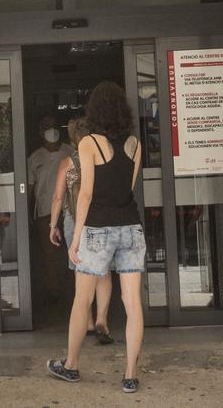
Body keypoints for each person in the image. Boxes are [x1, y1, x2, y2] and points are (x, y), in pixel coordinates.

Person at [47, 82, 145, 394]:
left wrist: (75, 238)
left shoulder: (89, 143)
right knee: (132, 303)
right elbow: (127, 189)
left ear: (95, 111)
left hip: (97, 229)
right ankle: (130, 374)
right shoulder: (134, 144)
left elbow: (86, 193)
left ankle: (71, 365)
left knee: (81, 300)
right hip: (130, 227)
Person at [49, 117, 114, 344]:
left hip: (73, 220)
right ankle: (102, 321)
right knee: (103, 271)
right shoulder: (103, 159)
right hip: (101, 219)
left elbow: (58, 197)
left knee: (80, 271)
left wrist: (52, 225)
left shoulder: (67, 163)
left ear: (73, 137)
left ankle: (86, 321)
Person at [28, 115, 74, 303]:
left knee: (73, 251)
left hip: (71, 211)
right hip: (45, 212)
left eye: (54, 126)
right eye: (46, 127)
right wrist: (27, 212)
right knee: (49, 255)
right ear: (40, 132)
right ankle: (54, 292)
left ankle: (75, 290)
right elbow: (29, 188)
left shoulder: (70, 152)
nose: (51, 130)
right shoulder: (34, 157)